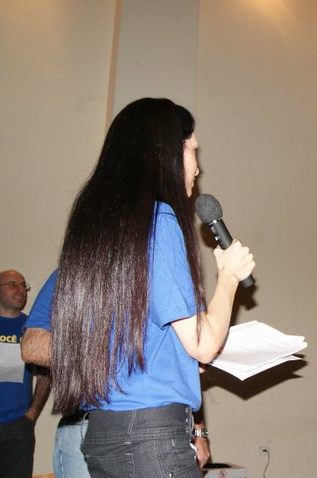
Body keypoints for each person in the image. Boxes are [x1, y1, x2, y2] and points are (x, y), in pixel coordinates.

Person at [48, 98, 254, 478]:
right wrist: (228, 277)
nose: (197, 166)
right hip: (150, 440)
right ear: (166, 152)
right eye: (193, 151)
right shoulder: (159, 222)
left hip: (103, 436)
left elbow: (135, 339)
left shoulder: (98, 235)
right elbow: (205, 343)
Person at [21, 270, 212, 477]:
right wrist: (116, 355)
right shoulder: (74, 270)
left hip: (164, 426)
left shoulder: (164, 273)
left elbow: (189, 365)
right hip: (88, 425)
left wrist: (200, 433)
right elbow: (32, 345)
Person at [0, 270, 50, 478]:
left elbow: (46, 375)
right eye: (12, 284)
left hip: (18, 426)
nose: (20, 290)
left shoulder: (33, 329)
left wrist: (32, 414)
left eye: (23, 285)